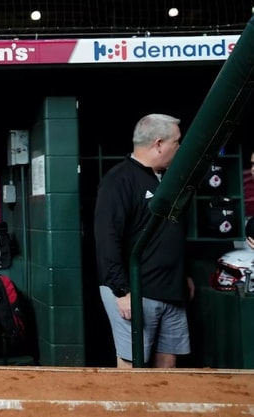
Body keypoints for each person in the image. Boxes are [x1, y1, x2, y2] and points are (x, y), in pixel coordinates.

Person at [94, 113, 195, 368]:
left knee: (167, 365)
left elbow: (166, 234)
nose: (180, 148)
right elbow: (107, 239)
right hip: (136, 291)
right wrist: (122, 292)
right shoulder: (119, 180)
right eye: (177, 141)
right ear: (159, 144)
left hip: (171, 290)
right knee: (132, 368)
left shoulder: (167, 180)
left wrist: (183, 276)